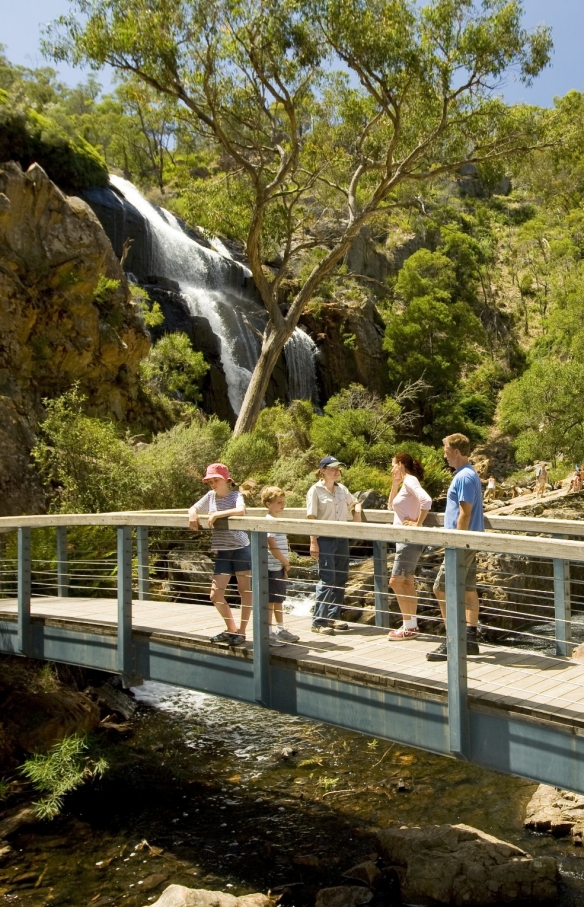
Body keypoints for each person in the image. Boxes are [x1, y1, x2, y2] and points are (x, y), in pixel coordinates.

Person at [426, 434, 484, 662]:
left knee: (441, 588)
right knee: (468, 588)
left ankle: (453, 640)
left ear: (456, 452)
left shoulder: (464, 477)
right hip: (469, 541)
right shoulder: (467, 475)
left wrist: (456, 542)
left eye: (446, 450)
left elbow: (465, 513)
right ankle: (470, 640)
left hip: (462, 543)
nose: (444, 454)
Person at [188, 463, 251, 646]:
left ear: (226, 480)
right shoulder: (210, 496)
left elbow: (241, 511)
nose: (213, 484)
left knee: (244, 590)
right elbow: (194, 508)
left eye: (216, 480)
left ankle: (242, 632)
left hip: (241, 548)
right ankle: (231, 629)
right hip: (223, 550)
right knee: (215, 594)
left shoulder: (235, 495)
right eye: (210, 481)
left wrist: (217, 515)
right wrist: (193, 514)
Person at [306, 456, 363, 635]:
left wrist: (357, 513)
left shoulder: (342, 489)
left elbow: (355, 503)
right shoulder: (314, 491)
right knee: (327, 578)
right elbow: (311, 518)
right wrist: (313, 542)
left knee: (340, 578)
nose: (337, 471)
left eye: (338, 468)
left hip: (342, 539)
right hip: (325, 539)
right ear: (322, 470)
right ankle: (318, 621)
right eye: (332, 468)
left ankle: (333, 616)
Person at [387, 453, 432, 640]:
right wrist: (395, 483)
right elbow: (390, 506)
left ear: (399, 464)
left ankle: (408, 627)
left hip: (409, 541)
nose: (391, 470)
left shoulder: (411, 481)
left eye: (392, 466)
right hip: (405, 541)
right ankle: (411, 626)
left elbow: (427, 501)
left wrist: (418, 523)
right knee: (407, 582)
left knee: (395, 582)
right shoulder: (405, 482)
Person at [261, 485, 300, 646]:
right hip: (271, 567)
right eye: (278, 502)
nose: (282, 505)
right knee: (271, 600)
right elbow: (271, 544)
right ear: (268, 504)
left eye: (283, 502)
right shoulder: (269, 520)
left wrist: (283, 565)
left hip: (278, 566)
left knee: (279, 599)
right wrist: (285, 562)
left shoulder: (277, 520)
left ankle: (280, 628)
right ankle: (268, 633)